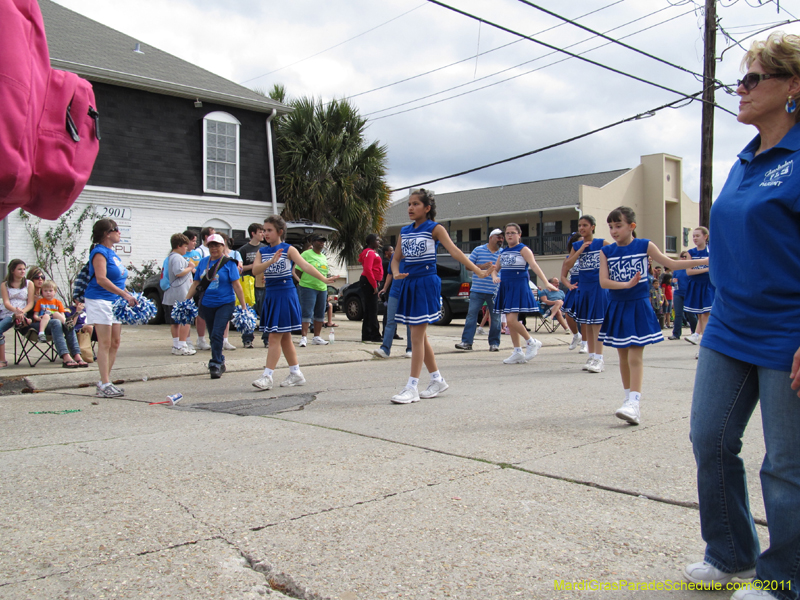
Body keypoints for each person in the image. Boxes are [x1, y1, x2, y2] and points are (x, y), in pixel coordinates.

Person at [682, 33, 800, 600]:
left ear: (793, 86)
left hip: (790, 330)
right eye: (741, 79)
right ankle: (729, 555)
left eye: (753, 79)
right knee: (710, 438)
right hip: (730, 325)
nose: (741, 88)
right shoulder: (744, 160)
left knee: (785, 465)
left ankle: (786, 579)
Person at [598, 206, 706, 426]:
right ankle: (628, 398)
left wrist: (706, 261)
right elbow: (604, 282)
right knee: (622, 357)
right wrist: (625, 284)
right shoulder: (606, 251)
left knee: (635, 356)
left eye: (618, 226)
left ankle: (634, 403)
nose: (614, 231)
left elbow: (672, 263)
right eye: (610, 227)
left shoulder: (644, 245)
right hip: (617, 306)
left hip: (638, 306)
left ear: (632, 226)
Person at [389, 189, 488, 403]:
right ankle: (437, 379)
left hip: (426, 284)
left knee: (415, 337)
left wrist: (476, 270)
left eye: (416, 204)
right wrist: (396, 273)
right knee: (420, 337)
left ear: (427, 208)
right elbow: (395, 259)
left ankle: (411, 387)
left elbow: (455, 252)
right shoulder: (404, 231)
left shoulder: (435, 228)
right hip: (409, 284)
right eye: (409, 204)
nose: (410, 208)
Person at [251, 216, 336, 390]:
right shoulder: (262, 252)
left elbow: (305, 266)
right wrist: (270, 261)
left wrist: (324, 279)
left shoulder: (288, 249)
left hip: (285, 294)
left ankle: (267, 376)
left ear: (280, 232)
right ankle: (296, 373)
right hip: (271, 296)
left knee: (275, 336)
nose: (265, 233)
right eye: (264, 230)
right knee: (285, 338)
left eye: (269, 230)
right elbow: (254, 270)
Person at [491, 223, 556, 365]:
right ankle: (518, 352)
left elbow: (534, 266)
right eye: (507, 233)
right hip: (505, 286)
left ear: (519, 235)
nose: (509, 235)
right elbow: (495, 268)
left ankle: (531, 342)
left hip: (518, 285)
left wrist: (546, 282)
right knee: (510, 322)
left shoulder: (524, 249)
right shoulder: (503, 252)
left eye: (513, 232)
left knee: (512, 320)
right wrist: (494, 276)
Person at [184, 234, 246, 379]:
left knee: (218, 333)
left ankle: (215, 363)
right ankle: (220, 359)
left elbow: (237, 285)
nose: (214, 248)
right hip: (207, 304)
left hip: (225, 303)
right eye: (211, 246)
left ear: (222, 246)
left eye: (217, 245)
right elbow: (196, 283)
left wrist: (243, 306)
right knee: (213, 335)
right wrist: (185, 300)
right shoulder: (203, 263)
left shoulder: (229, 263)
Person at [85, 218, 136, 395]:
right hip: (99, 300)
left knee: (115, 341)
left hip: (115, 301)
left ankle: (104, 381)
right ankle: (105, 384)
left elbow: (117, 280)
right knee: (104, 342)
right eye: (116, 229)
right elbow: (101, 279)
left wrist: (129, 293)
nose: (119, 232)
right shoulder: (99, 252)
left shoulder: (112, 253)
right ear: (107, 233)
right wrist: (123, 294)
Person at [563, 216, 610, 372]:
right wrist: (580, 250)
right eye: (579, 225)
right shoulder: (576, 245)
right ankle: (591, 356)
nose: (581, 228)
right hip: (584, 287)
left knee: (597, 323)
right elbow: (568, 264)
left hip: (598, 286)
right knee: (587, 324)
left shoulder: (602, 243)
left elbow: (615, 254)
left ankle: (599, 358)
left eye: (585, 225)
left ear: (593, 227)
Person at [27, 265, 89, 369]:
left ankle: (77, 355)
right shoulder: (27, 295)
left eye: (42, 277)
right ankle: (66, 356)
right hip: (36, 323)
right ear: (31, 279)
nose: (40, 279)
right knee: (57, 322)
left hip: (53, 321)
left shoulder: (48, 295)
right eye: (37, 277)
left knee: (67, 324)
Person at [455, 228, 504, 352]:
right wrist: (482, 267)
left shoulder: (503, 253)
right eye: (498, 237)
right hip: (477, 289)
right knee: (472, 315)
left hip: (495, 290)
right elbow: (467, 266)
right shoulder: (478, 250)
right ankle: (466, 342)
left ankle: (494, 343)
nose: (501, 239)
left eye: (502, 237)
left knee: (496, 318)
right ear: (491, 237)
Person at [162, 233, 196, 356]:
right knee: (185, 321)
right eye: (185, 246)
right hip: (181, 294)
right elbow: (178, 272)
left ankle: (176, 345)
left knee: (175, 322)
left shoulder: (172, 257)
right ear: (178, 246)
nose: (186, 249)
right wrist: (190, 267)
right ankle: (181, 345)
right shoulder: (177, 257)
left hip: (173, 294)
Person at [295, 235, 331, 348]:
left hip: (322, 288)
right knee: (307, 312)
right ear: (313, 242)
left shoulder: (323, 257)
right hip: (308, 287)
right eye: (319, 241)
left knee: (320, 312)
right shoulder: (306, 254)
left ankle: (316, 337)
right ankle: (304, 337)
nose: (322, 243)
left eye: (323, 242)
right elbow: (298, 270)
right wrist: (304, 282)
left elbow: (325, 272)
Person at [372, 261, 412, 360]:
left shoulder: (412, 253)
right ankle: (385, 349)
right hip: (395, 292)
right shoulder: (395, 256)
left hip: (409, 290)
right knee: (390, 321)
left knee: (410, 322)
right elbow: (390, 273)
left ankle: (411, 349)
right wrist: (385, 288)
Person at [0, 259, 35, 367]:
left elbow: (30, 302)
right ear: (12, 270)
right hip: (7, 311)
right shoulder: (4, 285)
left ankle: (2, 361)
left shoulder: (29, 284)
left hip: (19, 314)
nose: (23, 271)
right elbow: (6, 302)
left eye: (24, 269)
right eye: (19, 269)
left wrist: (21, 312)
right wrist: (15, 310)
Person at [683, 226, 713, 345]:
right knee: (701, 314)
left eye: (697, 236)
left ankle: (705, 342)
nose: (695, 238)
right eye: (693, 236)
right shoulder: (691, 253)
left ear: (705, 237)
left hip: (708, 285)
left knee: (705, 313)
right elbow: (689, 272)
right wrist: (706, 268)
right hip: (696, 285)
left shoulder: (711, 251)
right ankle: (697, 335)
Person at [238, 223, 265, 348]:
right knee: (249, 312)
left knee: (266, 312)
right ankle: (247, 339)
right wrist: (253, 266)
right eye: (260, 232)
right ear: (253, 233)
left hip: (263, 284)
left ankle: (267, 338)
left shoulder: (265, 248)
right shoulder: (243, 250)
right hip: (249, 284)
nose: (263, 234)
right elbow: (239, 268)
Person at [560, 232, 585, 352]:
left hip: (586, 287)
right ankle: (576, 335)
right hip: (574, 287)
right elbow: (563, 277)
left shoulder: (589, 256)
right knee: (568, 315)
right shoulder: (568, 259)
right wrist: (568, 285)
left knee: (584, 316)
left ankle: (585, 342)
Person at [192, 227, 215, 351]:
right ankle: (200, 339)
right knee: (201, 314)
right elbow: (196, 270)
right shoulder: (200, 251)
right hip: (203, 287)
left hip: (216, 289)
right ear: (206, 237)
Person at [358, 233, 383, 343]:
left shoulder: (372, 252)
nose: (379, 242)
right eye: (377, 240)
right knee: (373, 310)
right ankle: (375, 334)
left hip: (371, 281)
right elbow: (368, 269)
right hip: (369, 282)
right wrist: (374, 285)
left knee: (369, 309)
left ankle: (367, 334)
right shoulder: (369, 252)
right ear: (371, 242)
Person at [668, 251, 697, 340]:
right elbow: (673, 282)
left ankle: (695, 332)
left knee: (690, 314)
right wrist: (673, 282)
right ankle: (676, 334)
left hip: (689, 293)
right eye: (682, 256)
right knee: (678, 314)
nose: (683, 258)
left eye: (685, 257)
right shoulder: (677, 269)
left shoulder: (691, 268)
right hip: (678, 293)